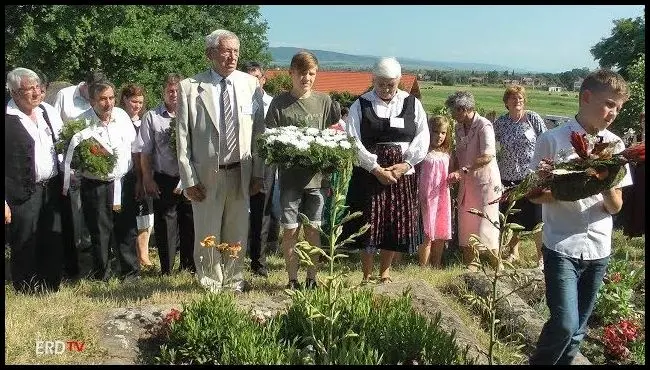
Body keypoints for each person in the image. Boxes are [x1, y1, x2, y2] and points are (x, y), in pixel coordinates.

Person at [528, 69, 632, 365]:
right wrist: (572, 186)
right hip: (561, 244)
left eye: (618, 108)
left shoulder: (616, 147)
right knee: (564, 325)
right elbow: (534, 194)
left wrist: (604, 181)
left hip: (599, 248)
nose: (613, 113)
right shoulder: (553, 140)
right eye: (609, 104)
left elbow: (616, 207)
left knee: (577, 332)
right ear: (586, 97)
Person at [176, 29, 265, 293]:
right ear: (210, 54)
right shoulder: (191, 87)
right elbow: (183, 138)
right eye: (226, 51)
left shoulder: (250, 85)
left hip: (241, 171)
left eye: (236, 51)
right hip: (205, 174)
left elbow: (258, 133)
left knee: (237, 229)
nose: (232, 56)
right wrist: (188, 179)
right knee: (207, 230)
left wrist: (258, 173)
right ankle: (210, 282)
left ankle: (234, 280)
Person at [342, 57, 429, 284]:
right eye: (381, 84)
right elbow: (352, 139)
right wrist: (375, 167)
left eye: (391, 84)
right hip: (370, 173)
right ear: (373, 80)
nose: (386, 88)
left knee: (393, 222)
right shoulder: (360, 104)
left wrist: (406, 164)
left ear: (399, 80)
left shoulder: (412, 104)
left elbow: (423, 136)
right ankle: (366, 273)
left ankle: (385, 272)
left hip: (401, 173)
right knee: (370, 222)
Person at [265, 51, 340, 290]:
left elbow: (333, 135)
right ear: (291, 73)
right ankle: (292, 279)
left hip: (317, 180)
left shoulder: (325, 102)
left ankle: (311, 279)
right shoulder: (279, 103)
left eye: (311, 73)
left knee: (313, 230)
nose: (306, 78)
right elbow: (269, 140)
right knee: (290, 231)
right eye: (301, 73)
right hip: (289, 180)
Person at [67, 80, 140, 282]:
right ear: (92, 101)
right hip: (96, 185)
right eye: (102, 99)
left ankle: (130, 272)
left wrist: (139, 179)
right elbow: (74, 158)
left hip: (123, 182)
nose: (108, 103)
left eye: (110, 98)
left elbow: (134, 147)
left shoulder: (123, 116)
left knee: (127, 229)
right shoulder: (81, 123)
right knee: (100, 232)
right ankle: (102, 274)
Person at [5, 67, 64, 293]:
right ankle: (26, 288)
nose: (36, 93)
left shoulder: (46, 112)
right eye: (29, 89)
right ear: (14, 93)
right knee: (25, 240)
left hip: (51, 187)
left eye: (37, 88)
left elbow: (62, 144)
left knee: (51, 237)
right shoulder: (8, 118)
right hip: (22, 190)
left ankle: (50, 285)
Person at [53, 70, 109, 280]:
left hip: (99, 166)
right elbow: (57, 129)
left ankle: (93, 253)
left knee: (96, 216)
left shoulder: (102, 99)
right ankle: (76, 255)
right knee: (75, 210)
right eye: (94, 91)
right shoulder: (64, 96)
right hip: (71, 166)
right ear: (85, 85)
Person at [140, 73, 196, 275]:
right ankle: (167, 268)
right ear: (163, 92)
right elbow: (145, 151)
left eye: (177, 91)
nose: (174, 94)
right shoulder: (152, 117)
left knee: (189, 222)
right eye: (170, 91)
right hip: (164, 177)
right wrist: (147, 178)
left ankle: (189, 265)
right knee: (166, 223)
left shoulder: (192, 114)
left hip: (189, 177)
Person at [446, 91, 502, 271]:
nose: (452, 115)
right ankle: (472, 262)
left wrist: (464, 170)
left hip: (485, 183)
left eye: (453, 111)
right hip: (466, 183)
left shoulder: (484, 125)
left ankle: (496, 263)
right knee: (467, 220)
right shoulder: (458, 127)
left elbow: (487, 156)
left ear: (463, 109)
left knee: (487, 221)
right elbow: (458, 153)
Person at [493, 85, 545, 268]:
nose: (518, 101)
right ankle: (513, 252)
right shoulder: (501, 123)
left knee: (537, 217)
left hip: (530, 176)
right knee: (511, 217)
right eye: (514, 98)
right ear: (506, 102)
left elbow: (545, 142)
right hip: (507, 176)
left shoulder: (533, 119)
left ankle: (541, 257)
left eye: (521, 98)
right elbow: (491, 144)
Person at [242, 61, 278, 278]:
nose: (254, 81)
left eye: (257, 77)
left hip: (265, 164)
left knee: (261, 213)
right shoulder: (239, 101)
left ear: (263, 79)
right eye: (249, 77)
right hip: (239, 160)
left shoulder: (272, 103)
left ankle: (259, 261)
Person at [120, 83, 154, 268]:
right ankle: (132, 256)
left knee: (146, 217)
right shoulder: (119, 120)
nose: (137, 105)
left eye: (140, 102)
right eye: (134, 101)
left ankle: (144, 255)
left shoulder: (144, 122)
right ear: (124, 100)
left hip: (144, 173)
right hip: (128, 175)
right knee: (129, 218)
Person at [418, 116, 452, 268]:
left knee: (440, 229)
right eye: (436, 132)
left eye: (443, 133)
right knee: (426, 231)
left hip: (442, 195)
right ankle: (423, 266)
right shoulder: (422, 151)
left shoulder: (447, 152)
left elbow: (452, 170)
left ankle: (436, 264)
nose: (439, 136)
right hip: (426, 195)